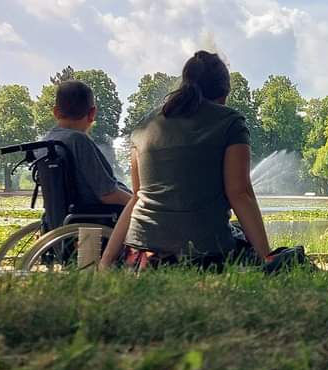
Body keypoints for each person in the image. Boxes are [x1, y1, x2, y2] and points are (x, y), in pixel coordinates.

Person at [99, 51, 272, 270]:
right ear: (224, 93)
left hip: (142, 255)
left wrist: (105, 261)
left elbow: (138, 196)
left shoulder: (145, 126)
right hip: (205, 254)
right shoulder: (230, 122)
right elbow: (239, 193)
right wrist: (267, 257)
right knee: (238, 239)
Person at [41, 80, 133, 216]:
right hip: (95, 217)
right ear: (92, 113)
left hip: (59, 217)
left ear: (55, 111)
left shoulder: (46, 143)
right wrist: (139, 203)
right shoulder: (78, 141)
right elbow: (108, 195)